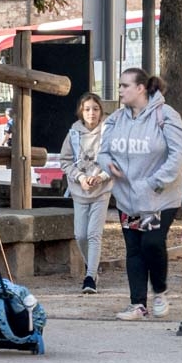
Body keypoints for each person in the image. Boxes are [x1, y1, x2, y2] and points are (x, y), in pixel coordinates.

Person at [97, 68, 182, 321]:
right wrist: (108, 165)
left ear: (141, 88)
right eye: (119, 85)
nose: (120, 90)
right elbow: (102, 152)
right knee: (134, 248)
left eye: (125, 85)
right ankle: (137, 303)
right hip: (128, 197)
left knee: (151, 243)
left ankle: (160, 291)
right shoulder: (116, 118)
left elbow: (179, 154)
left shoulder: (165, 115)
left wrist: (154, 182)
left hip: (156, 197)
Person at [60, 92, 112, 295]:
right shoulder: (74, 133)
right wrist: (80, 177)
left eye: (95, 109)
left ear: (101, 111)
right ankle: (91, 265)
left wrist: (101, 176)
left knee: (93, 234)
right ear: (81, 112)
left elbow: (116, 159)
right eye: (87, 109)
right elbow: (65, 161)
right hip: (80, 190)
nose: (92, 113)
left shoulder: (108, 132)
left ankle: (90, 276)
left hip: (101, 190)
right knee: (80, 234)